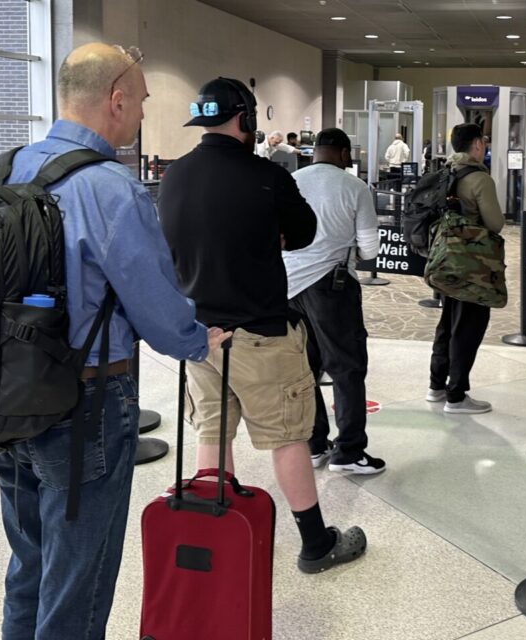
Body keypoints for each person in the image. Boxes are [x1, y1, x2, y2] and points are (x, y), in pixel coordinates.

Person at [0, 43, 230, 640]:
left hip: (2, 394)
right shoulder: (110, 188)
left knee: (29, 566)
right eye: (142, 102)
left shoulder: (5, 168)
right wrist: (200, 341)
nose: (142, 114)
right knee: (80, 579)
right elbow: (156, 310)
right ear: (115, 101)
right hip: (85, 403)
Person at [158, 77, 367, 572]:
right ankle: (316, 543)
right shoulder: (267, 176)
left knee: (214, 431)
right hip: (263, 333)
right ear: (246, 119)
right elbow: (302, 235)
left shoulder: (174, 176)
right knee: (288, 437)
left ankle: (217, 534)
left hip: (201, 336)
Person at [284, 128, 385, 475]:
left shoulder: (291, 180)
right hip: (333, 287)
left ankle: (314, 445)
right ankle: (349, 452)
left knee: (304, 369)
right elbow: (370, 249)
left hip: (289, 288)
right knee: (346, 368)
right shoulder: (354, 187)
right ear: (343, 154)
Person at [426, 123, 505, 414]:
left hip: (444, 260)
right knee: (469, 326)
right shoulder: (479, 179)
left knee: (447, 321)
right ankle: (456, 396)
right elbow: (495, 223)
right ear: (476, 145)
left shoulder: (445, 172)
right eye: (482, 142)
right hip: (473, 264)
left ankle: (436, 386)